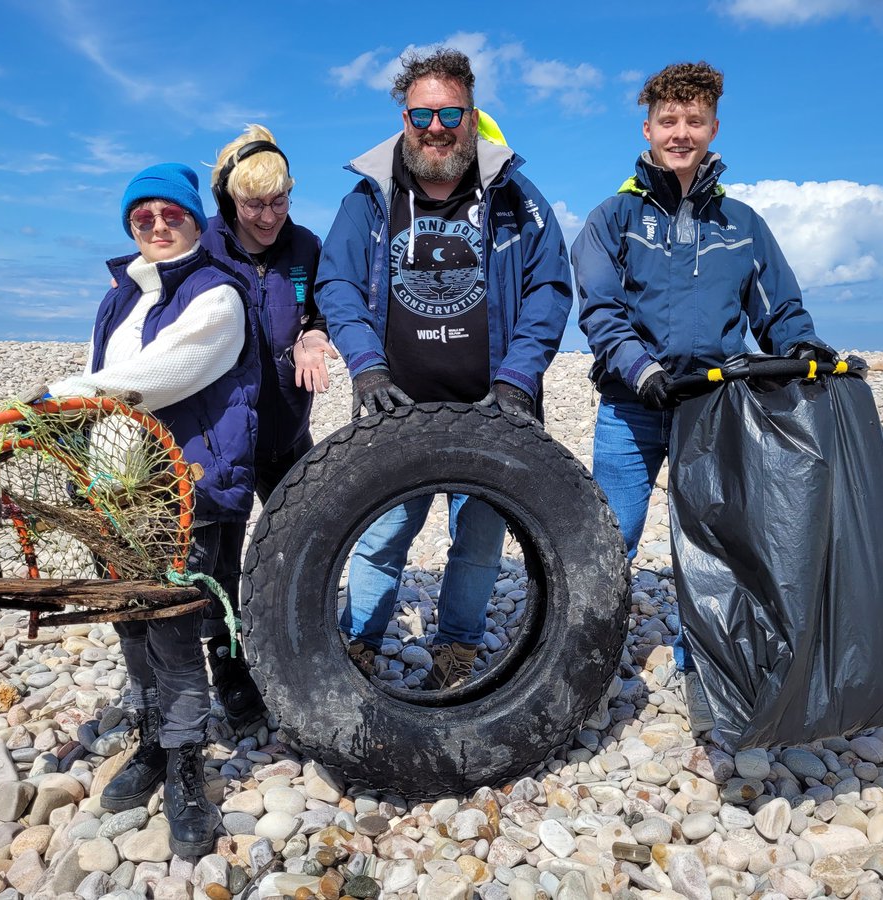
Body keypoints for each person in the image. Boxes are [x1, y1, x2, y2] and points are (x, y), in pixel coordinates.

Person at [572, 62, 842, 733]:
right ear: (648, 128)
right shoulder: (613, 218)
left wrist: (803, 346)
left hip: (715, 409)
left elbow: (780, 307)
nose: (681, 132)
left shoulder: (744, 224)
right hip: (632, 408)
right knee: (610, 539)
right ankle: (582, 662)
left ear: (714, 127)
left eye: (694, 121)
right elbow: (600, 309)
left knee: (712, 544)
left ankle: (708, 669)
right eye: (669, 120)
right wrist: (642, 370)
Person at [316, 48, 572, 690]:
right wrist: (367, 368)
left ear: (472, 115)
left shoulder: (515, 195)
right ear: (404, 118)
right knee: (379, 535)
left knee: (479, 542)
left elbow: (549, 286)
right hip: (394, 406)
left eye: (450, 111)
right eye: (423, 113)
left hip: (493, 406)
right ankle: (363, 645)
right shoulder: (370, 197)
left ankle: (456, 649)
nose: (437, 126)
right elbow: (337, 283)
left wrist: (517, 380)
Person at [48, 163, 259, 856]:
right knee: (128, 624)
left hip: (179, 490)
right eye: (143, 218)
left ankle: (187, 768)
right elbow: (98, 374)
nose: (158, 226)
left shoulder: (215, 292)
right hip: (113, 489)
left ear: (197, 221)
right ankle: (150, 744)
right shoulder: (118, 299)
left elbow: (169, 372)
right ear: (129, 227)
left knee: (171, 631)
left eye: (171, 215)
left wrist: (71, 392)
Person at [199, 125, 333, 728]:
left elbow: (329, 301)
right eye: (255, 204)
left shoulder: (305, 246)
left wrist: (314, 332)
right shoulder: (201, 248)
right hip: (218, 438)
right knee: (218, 566)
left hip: (284, 430)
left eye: (279, 201)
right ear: (229, 199)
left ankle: (298, 653)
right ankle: (230, 672)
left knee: (299, 546)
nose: (269, 216)